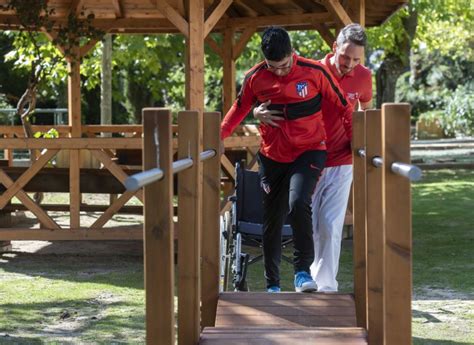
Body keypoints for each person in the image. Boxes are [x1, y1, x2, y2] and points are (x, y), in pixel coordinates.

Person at [220, 26, 353, 293]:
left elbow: (344, 108)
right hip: (273, 156)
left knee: (298, 202)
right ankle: (273, 285)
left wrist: (355, 144)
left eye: (283, 65)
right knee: (272, 218)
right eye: (272, 66)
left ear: (292, 54)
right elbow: (239, 108)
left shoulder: (315, 71)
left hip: (310, 150)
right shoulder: (255, 77)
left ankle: (302, 272)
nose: (279, 71)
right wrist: (218, 136)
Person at [310, 23, 373, 292]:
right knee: (308, 224)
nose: (350, 64)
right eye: (346, 57)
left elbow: (365, 110)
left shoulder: (363, 76)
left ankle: (326, 288)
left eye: (356, 59)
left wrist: (363, 140)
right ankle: (308, 279)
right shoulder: (312, 72)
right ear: (335, 48)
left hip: (342, 161)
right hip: (308, 160)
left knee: (331, 224)